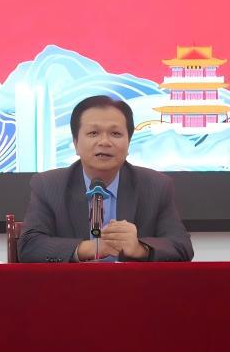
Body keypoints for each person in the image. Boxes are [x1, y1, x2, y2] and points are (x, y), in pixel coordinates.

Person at [18, 95, 193, 262]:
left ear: (129, 143)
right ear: (76, 143)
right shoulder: (48, 186)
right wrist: (91, 248)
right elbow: (29, 246)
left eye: (115, 134)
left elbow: (181, 246)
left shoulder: (156, 186)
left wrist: (139, 248)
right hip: (74, 283)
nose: (105, 142)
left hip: (133, 282)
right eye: (93, 133)